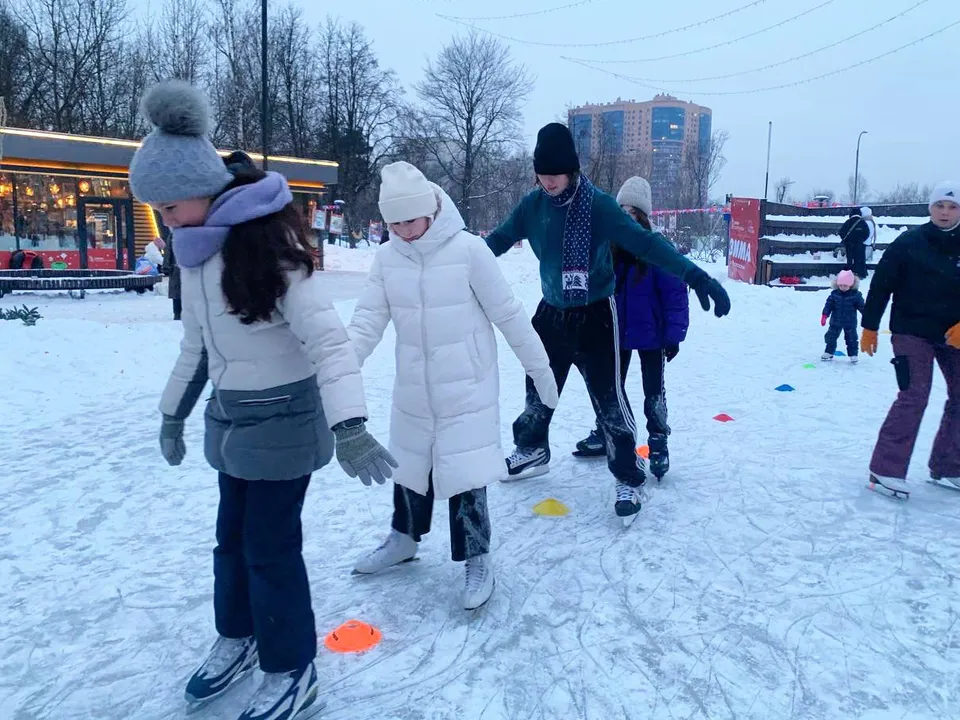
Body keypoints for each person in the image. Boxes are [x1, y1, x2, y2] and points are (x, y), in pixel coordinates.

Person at [128, 80, 396, 720]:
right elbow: (196, 346)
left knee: (270, 549)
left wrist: (351, 425)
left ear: (202, 188)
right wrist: (173, 412)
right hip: (233, 426)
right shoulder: (193, 256)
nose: (163, 218)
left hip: (285, 427)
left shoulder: (270, 250)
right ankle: (240, 636)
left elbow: (330, 345)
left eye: (167, 206)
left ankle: (293, 667)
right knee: (230, 541)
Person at [484, 122, 730, 524]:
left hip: (597, 315)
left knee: (609, 400)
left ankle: (627, 475)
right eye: (542, 176)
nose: (548, 184)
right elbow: (495, 241)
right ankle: (532, 447)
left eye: (555, 176)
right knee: (538, 386)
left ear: (573, 171)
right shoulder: (532, 206)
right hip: (550, 314)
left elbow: (648, 244)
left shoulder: (598, 206)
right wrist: (456, 262)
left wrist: (695, 276)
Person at [347, 162, 557, 609]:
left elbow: (508, 313)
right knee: (408, 466)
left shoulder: (469, 251)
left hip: (467, 386)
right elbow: (366, 321)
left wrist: (540, 370)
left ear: (431, 210)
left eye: (410, 219)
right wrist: (339, 372)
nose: (403, 230)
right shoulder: (387, 258)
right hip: (415, 388)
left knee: (465, 474)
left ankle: (477, 556)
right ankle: (403, 538)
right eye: (394, 222)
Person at [573, 176, 689, 481]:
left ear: (645, 215)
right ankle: (606, 433)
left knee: (653, 393)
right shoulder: (606, 248)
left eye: (633, 210)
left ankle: (658, 441)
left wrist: (674, 336)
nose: (627, 215)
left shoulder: (657, 248)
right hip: (615, 333)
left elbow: (676, 293)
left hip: (652, 335)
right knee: (611, 389)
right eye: (621, 208)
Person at [861, 182, 960, 495]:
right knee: (915, 394)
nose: (945, 212)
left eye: (953, 207)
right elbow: (881, 285)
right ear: (930, 208)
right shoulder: (909, 242)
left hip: (952, 332)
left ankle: (948, 466)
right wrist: (870, 326)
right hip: (910, 330)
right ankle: (885, 469)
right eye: (940, 206)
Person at [820, 269, 864, 364]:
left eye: (845, 285)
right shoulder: (834, 294)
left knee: (851, 338)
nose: (842, 287)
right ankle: (829, 352)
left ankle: (853, 354)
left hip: (850, 322)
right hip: (835, 321)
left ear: (851, 285)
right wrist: (824, 315)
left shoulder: (856, 295)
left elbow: (862, 307)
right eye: (840, 285)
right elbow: (828, 305)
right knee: (830, 337)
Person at [839, 208, 869, 279]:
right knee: (860, 258)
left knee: (850, 259)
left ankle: (849, 273)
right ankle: (860, 273)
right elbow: (867, 233)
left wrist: (846, 240)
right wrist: (861, 239)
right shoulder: (863, 222)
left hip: (849, 244)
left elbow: (841, 232)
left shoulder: (848, 222)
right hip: (860, 244)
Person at [159, 232, 181, 320]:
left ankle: (177, 313)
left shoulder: (174, 234)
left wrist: (166, 267)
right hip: (187, 268)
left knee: (177, 292)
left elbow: (168, 251)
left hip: (176, 267)